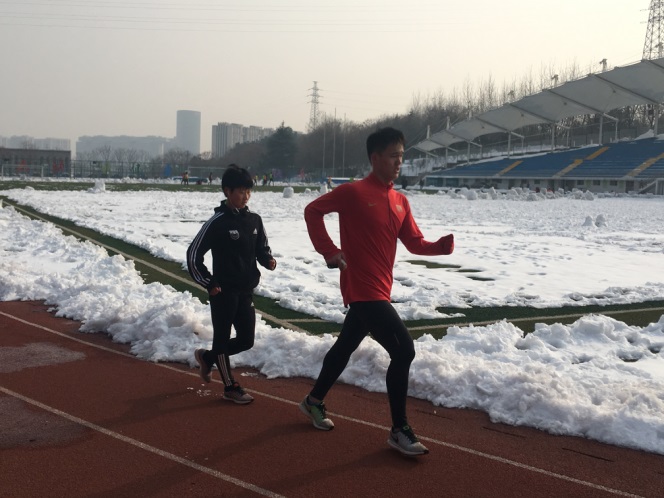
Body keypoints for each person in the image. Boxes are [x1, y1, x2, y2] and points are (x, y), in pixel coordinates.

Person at [299, 127, 454, 456]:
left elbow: (413, 242)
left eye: (402, 156)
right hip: (361, 287)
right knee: (404, 351)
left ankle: (313, 400)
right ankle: (399, 429)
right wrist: (329, 250)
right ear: (375, 158)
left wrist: (439, 247)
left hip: (381, 288)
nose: (399, 162)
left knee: (345, 347)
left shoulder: (400, 201)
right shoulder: (353, 193)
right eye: (393, 156)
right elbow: (312, 211)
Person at [187, 164, 277, 404]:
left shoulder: (254, 220)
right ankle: (230, 387)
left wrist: (267, 260)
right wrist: (209, 282)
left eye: (248, 191)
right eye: (241, 191)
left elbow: (261, 248)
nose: (246, 196)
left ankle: (208, 358)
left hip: (245, 290)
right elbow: (193, 255)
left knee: (246, 340)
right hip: (223, 292)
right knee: (222, 339)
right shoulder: (217, 222)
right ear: (227, 191)